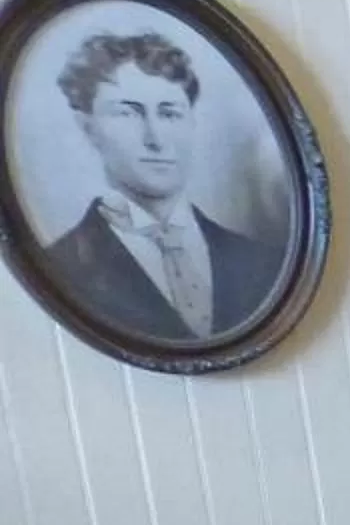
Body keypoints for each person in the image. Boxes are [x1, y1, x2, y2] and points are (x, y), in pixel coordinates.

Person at [35, 31, 279, 343]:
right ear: (89, 128)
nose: (155, 138)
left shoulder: (261, 260)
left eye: (169, 113)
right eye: (128, 112)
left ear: (191, 121)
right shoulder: (63, 267)